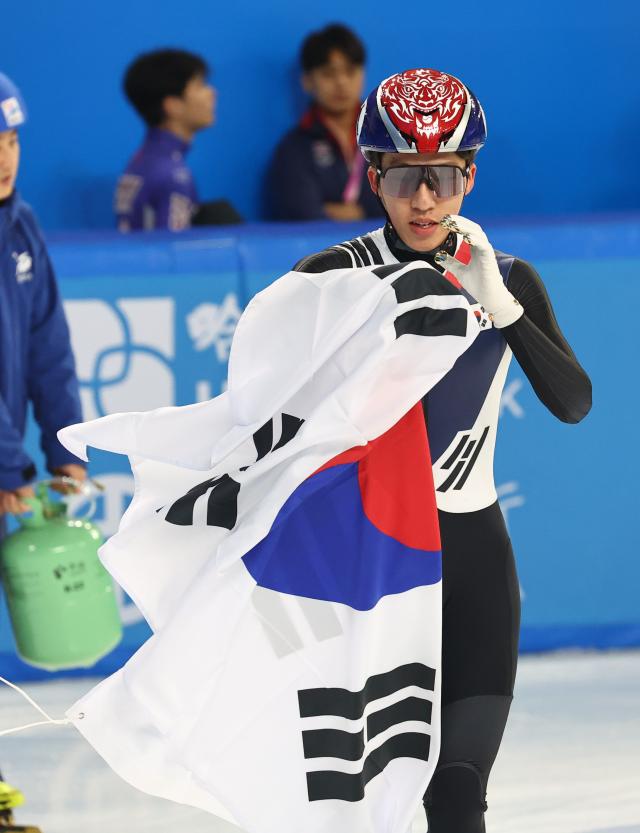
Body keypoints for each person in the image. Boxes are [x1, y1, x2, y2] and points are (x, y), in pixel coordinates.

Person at [294, 67, 592, 832]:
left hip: (474, 561)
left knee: (457, 796)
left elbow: (573, 402)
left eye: (440, 178)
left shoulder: (511, 276)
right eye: (402, 179)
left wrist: (502, 306)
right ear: (373, 175)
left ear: (468, 177)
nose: (422, 200)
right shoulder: (328, 279)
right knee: (354, 806)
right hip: (371, 567)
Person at [0, 71, 85, 831]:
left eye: (12, 138)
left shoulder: (19, 227)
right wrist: (6, 465)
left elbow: (48, 348)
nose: (3, 155)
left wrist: (64, 447)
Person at [115, 49, 240, 232]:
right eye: (199, 86)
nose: (212, 93)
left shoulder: (141, 161)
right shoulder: (174, 174)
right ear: (172, 105)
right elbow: (175, 253)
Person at [267, 24, 384, 222]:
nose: (341, 82)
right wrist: (369, 211)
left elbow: (403, 205)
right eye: (329, 74)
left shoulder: (387, 137)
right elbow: (305, 214)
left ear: (362, 75)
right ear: (307, 81)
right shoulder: (295, 147)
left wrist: (356, 212)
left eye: (350, 71)